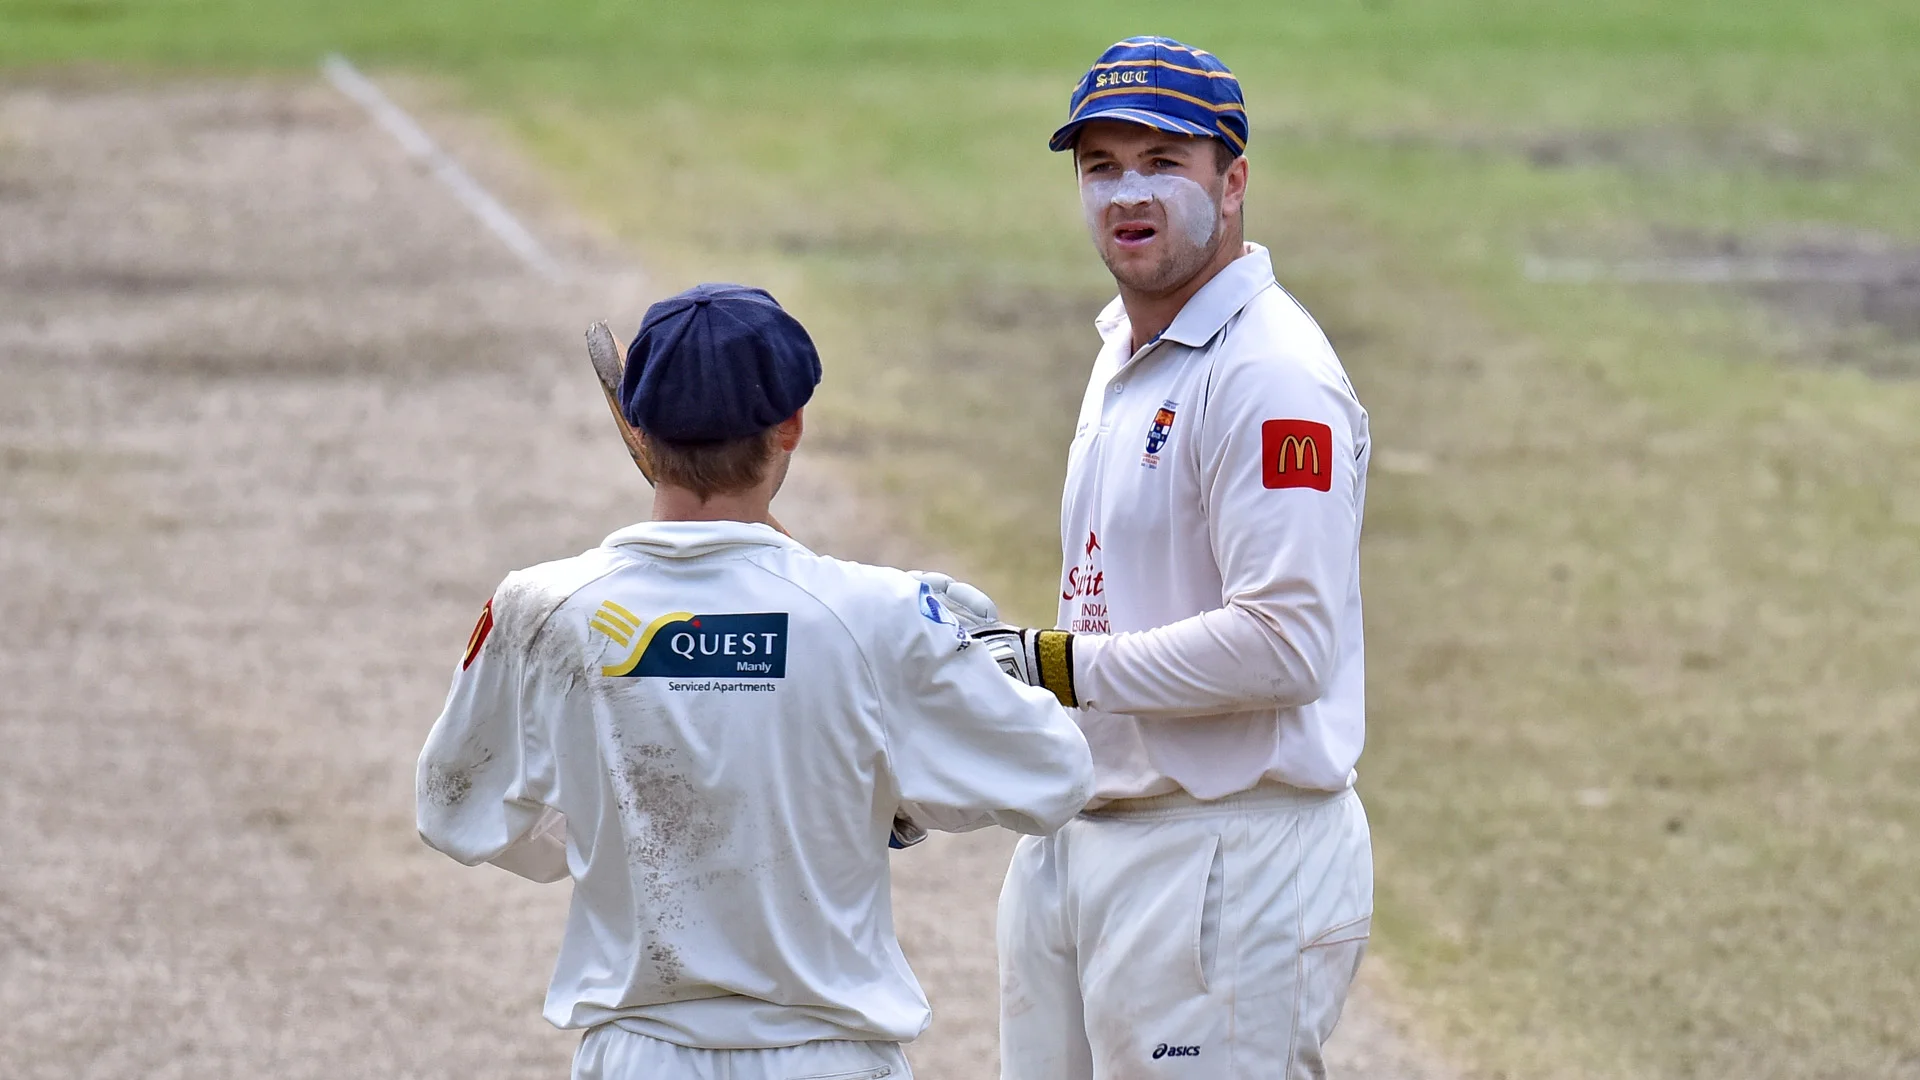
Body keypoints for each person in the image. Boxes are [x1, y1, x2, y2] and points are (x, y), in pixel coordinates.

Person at [415, 283, 1096, 1080]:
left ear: (639, 427)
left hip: (637, 1058)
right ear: (791, 425)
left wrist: (615, 828)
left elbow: (453, 809)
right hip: (832, 1062)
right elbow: (1055, 774)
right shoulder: (876, 616)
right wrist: (898, 787)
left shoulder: (539, 608)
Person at [979, 37, 1376, 1078]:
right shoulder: (1127, 347)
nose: (1127, 194)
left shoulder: (1271, 377)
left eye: (1162, 162)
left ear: (1233, 181)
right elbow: (1118, 606)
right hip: (1087, 839)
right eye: (1101, 167)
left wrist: (1056, 664)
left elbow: (1286, 645)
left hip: (1226, 858)